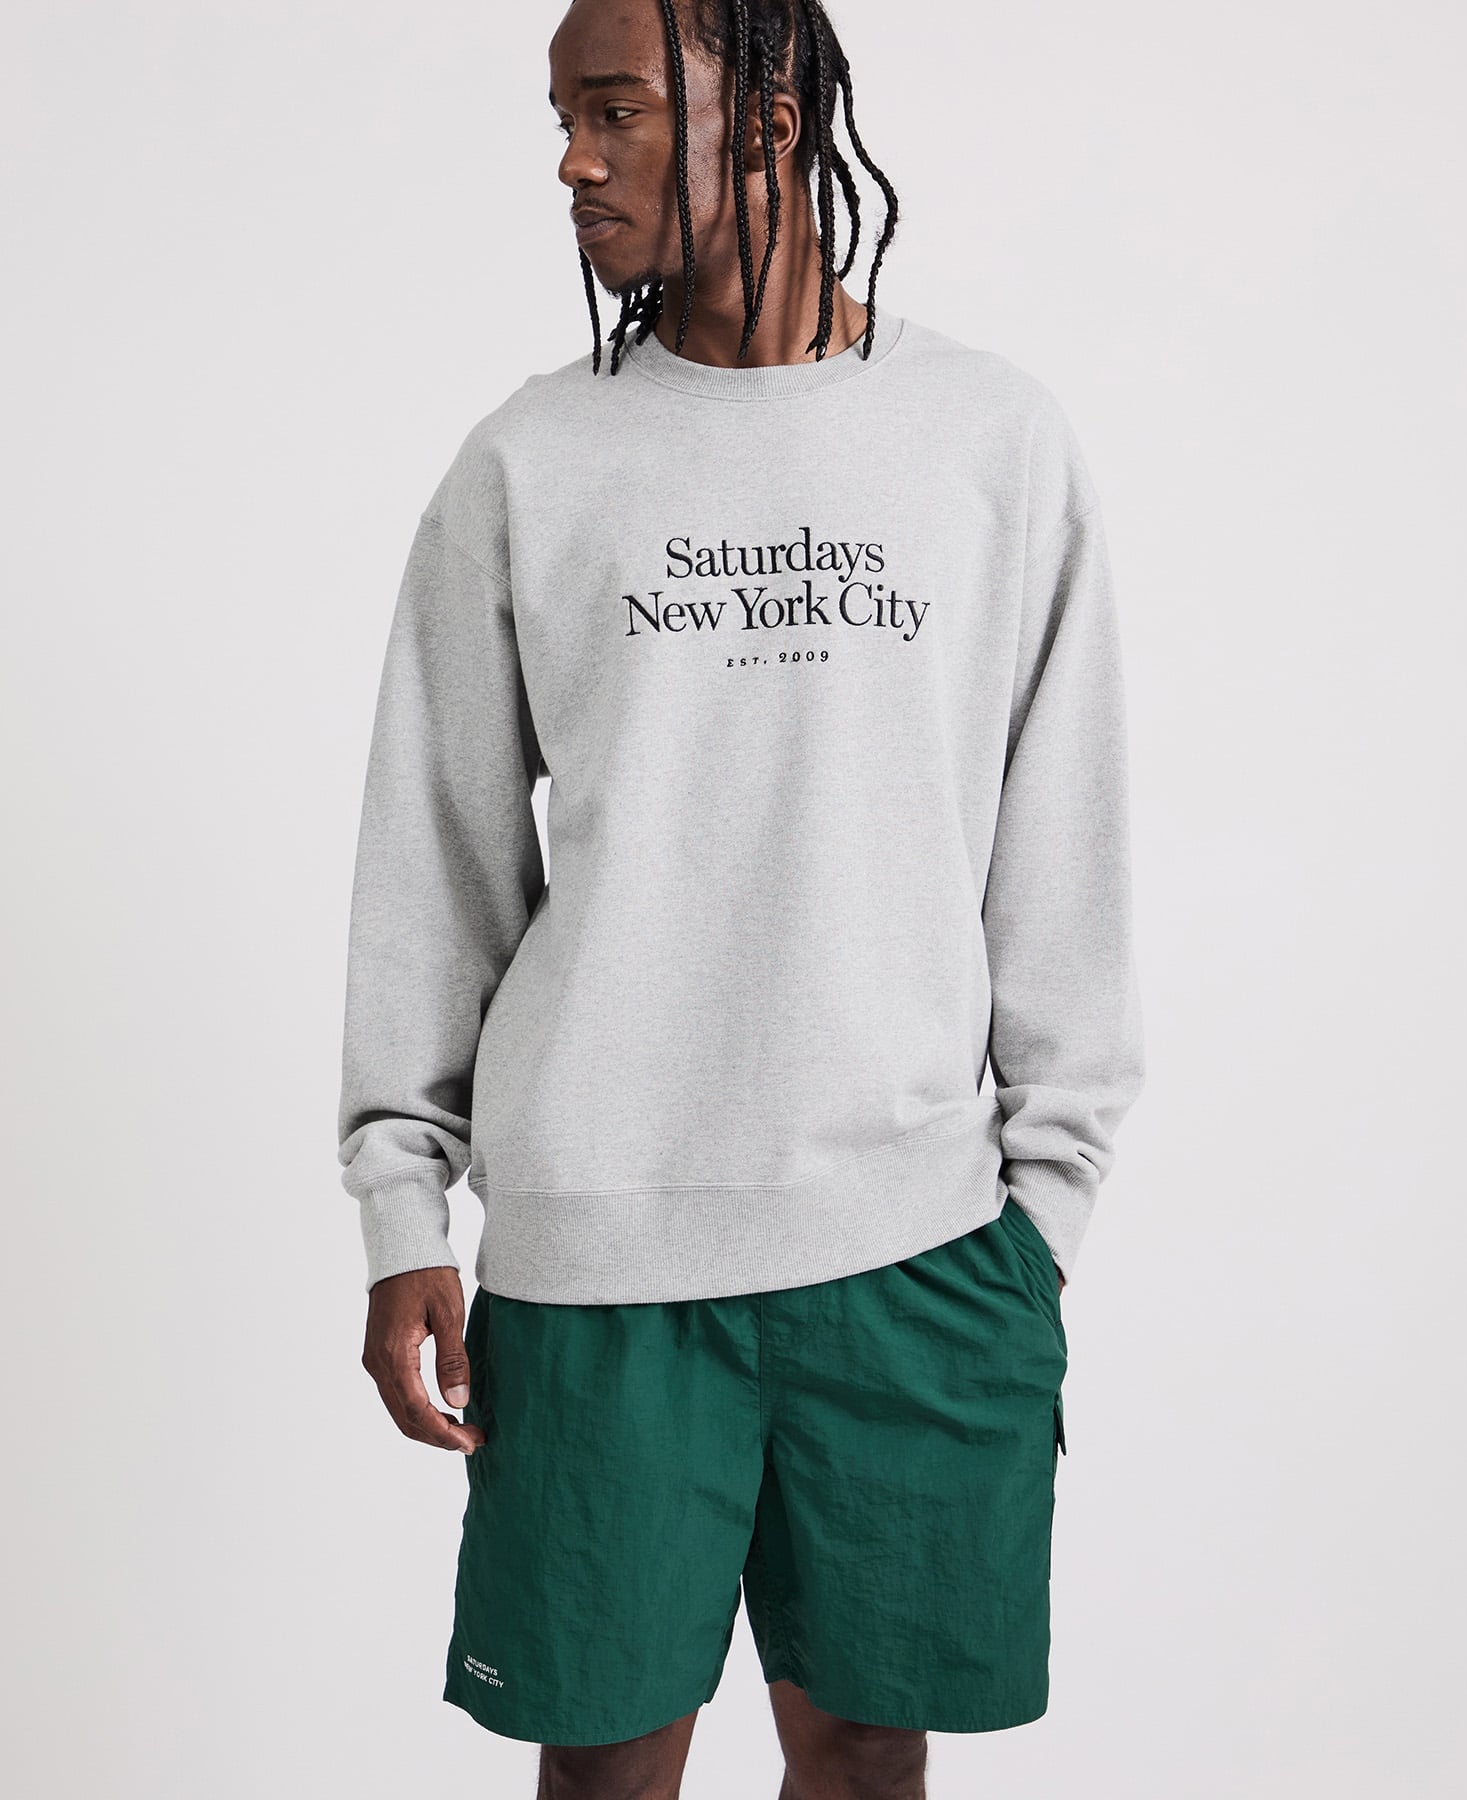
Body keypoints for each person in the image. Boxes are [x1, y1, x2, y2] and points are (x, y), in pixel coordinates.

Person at [336, 0, 1146, 1793]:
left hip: (920, 1257)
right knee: (604, 1773)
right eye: (562, 118)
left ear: (770, 112)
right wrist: (403, 1202)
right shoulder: (528, 465)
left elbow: (1063, 848)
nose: (574, 161)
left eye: (617, 111)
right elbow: (435, 853)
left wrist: (1041, 1224)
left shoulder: (990, 441)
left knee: (865, 1765)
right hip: (602, 1261)